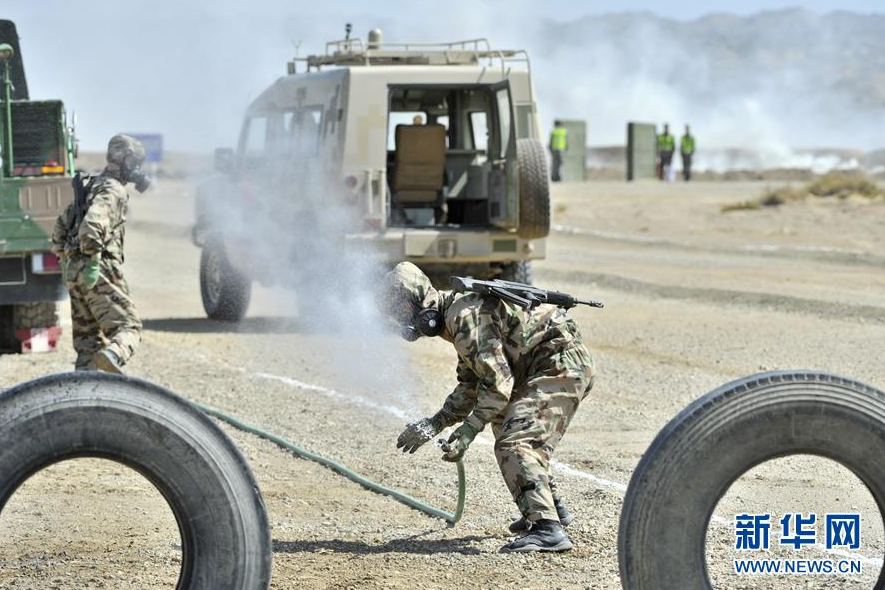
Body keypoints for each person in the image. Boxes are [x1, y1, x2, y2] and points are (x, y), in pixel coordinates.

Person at [382, 262, 596, 553]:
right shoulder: (457, 317)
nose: (401, 319)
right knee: (503, 421)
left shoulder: (462, 319)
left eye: (401, 310)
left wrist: (468, 431)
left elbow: (498, 385)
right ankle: (548, 507)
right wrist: (435, 423)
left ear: (419, 302)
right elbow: (471, 386)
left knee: (515, 442)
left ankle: (548, 530)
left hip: (559, 367)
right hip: (548, 365)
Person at [51, 134, 148, 373]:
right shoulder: (113, 189)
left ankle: (84, 383)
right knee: (128, 327)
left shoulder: (92, 184)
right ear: (127, 160)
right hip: (98, 269)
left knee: (88, 342)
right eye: (136, 162)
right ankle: (112, 355)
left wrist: (66, 261)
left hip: (75, 271)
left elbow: (60, 226)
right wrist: (93, 262)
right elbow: (92, 226)